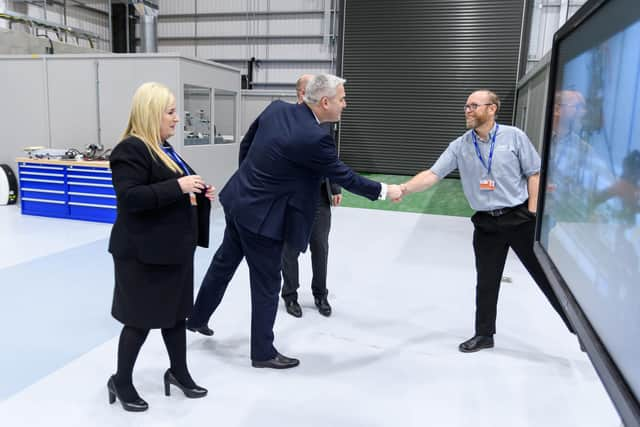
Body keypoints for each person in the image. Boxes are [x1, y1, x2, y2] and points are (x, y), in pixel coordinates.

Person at [187, 74, 402, 369]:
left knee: (224, 263)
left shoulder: (276, 109)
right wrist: (385, 190)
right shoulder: (315, 138)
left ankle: (197, 318)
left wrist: (252, 182)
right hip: (262, 219)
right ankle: (262, 352)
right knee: (267, 284)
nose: (345, 105)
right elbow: (345, 176)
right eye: (341, 99)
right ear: (325, 102)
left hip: (239, 201)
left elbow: (247, 143)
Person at [396, 89, 575, 353]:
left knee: (546, 277)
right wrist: (404, 189)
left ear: (491, 109)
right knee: (487, 281)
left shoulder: (514, 137)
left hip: (519, 218)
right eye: (466, 106)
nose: (467, 110)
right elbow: (433, 174)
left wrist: (533, 213)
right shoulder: (460, 145)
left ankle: (580, 330)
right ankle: (484, 335)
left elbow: (534, 173)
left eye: (473, 106)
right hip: (486, 224)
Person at [107, 82, 215, 411]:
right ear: (152, 113)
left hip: (173, 250)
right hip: (142, 253)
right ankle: (121, 381)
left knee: (175, 317)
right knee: (138, 320)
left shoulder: (164, 147)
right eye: (170, 112)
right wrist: (179, 186)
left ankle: (178, 372)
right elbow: (131, 198)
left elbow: (176, 189)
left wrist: (198, 193)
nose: (177, 119)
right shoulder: (130, 150)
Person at [281, 74, 342, 318]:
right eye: (308, 91)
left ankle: (320, 294)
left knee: (320, 247)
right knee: (290, 248)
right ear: (299, 93)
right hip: (292, 198)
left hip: (319, 196)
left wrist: (335, 187)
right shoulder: (285, 119)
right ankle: (290, 295)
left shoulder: (324, 120)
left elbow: (332, 158)